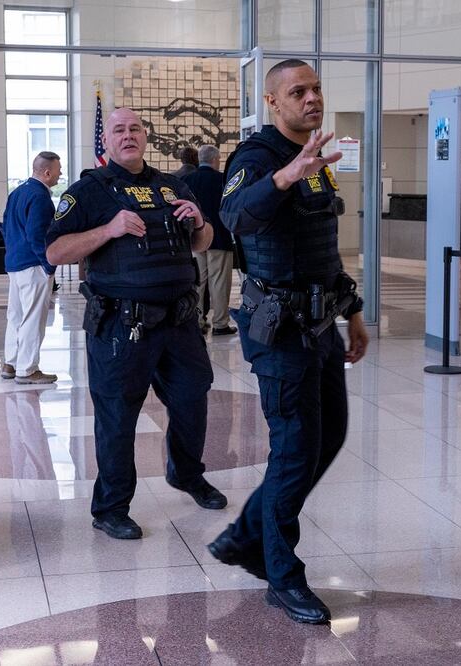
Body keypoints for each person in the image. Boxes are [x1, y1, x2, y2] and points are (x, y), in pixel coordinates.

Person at [210, 59, 369, 625]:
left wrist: (353, 312)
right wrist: (282, 178)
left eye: (316, 89)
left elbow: (321, 245)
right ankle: (281, 574)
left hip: (321, 326)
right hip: (280, 331)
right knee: (296, 451)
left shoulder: (316, 158)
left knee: (329, 437)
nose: (312, 99)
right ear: (273, 101)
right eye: (298, 91)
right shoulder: (257, 157)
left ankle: (244, 538)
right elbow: (234, 216)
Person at [45, 108, 227, 540]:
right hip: (121, 325)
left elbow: (201, 242)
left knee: (192, 397)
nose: (128, 136)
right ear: (106, 141)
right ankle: (110, 508)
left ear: (145, 136)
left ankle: (186, 473)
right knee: (118, 415)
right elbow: (54, 252)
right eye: (119, 130)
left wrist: (200, 222)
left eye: (135, 129)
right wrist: (108, 230)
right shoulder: (88, 191)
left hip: (179, 322)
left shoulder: (172, 185)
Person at [1, 152, 61, 384]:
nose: (60, 175)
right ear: (47, 172)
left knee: (15, 316)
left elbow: (6, 226)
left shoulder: (17, 192)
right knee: (33, 318)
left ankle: (11, 363)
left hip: (15, 262)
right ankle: (27, 369)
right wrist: (48, 264)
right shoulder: (40, 197)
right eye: (58, 171)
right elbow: (37, 235)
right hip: (33, 264)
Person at [182, 145, 237, 336]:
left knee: (198, 281)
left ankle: (197, 321)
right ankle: (220, 323)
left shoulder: (187, 180)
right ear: (215, 160)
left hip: (195, 239)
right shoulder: (223, 180)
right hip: (220, 237)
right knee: (219, 282)